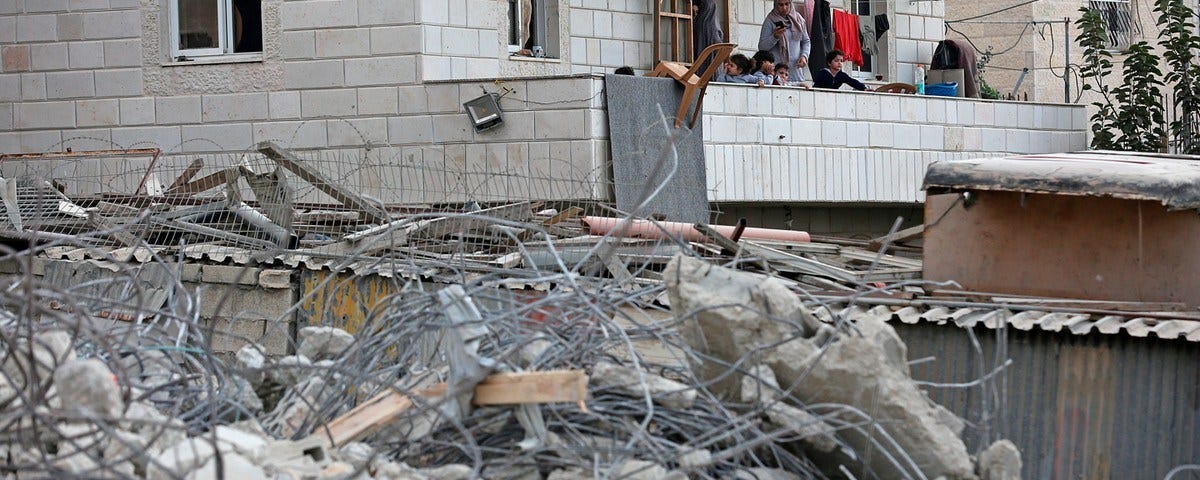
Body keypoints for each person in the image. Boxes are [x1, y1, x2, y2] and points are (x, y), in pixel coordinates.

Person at [758, 0, 811, 82]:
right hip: (777, 74)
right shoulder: (770, 20)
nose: (784, 8)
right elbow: (762, 47)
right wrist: (775, 36)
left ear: (791, 3)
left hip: (795, 73)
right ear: (776, 5)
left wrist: (804, 56)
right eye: (780, 5)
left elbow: (806, 41)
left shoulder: (798, 19)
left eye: (787, 4)